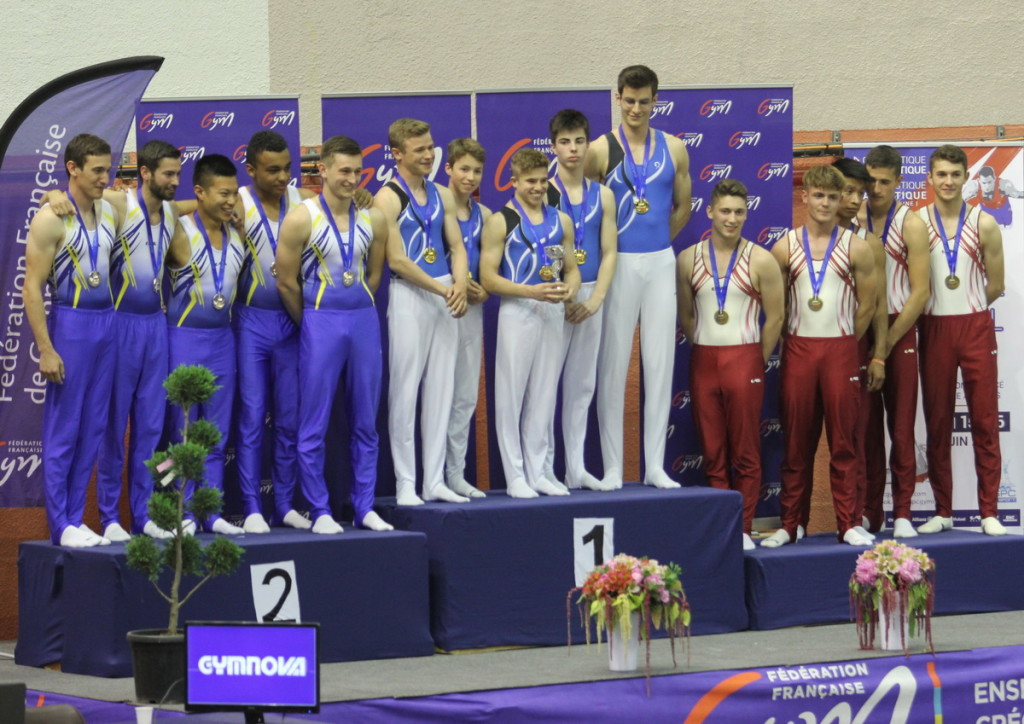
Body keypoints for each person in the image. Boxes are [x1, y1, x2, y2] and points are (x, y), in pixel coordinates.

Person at [276, 135, 392, 532]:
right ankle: (320, 509)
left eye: (358, 172)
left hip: (362, 318)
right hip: (320, 320)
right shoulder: (301, 218)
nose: (352, 179)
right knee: (314, 422)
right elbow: (287, 282)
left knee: (365, 420)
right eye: (344, 171)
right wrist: (310, 318)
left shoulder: (374, 216)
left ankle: (364, 506)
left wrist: (354, 304)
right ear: (322, 169)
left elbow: (374, 274)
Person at [584, 64, 691, 489]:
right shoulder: (598, 150)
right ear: (617, 98)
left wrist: (661, 243)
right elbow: (584, 210)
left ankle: (654, 466)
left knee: (660, 362)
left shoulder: (676, 148)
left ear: (655, 101)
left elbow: (683, 204)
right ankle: (613, 467)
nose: (635, 108)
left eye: (644, 101)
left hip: (660, 261)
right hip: (620, 263)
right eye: (628, 100)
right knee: (613, 364)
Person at [761, 165, 877, 548]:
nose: (826, 203)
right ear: (805, 197)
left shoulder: (856, 247)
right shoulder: (783, 247)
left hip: (840, 349)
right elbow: (773, 308)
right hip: (798, 350)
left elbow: (867, 305)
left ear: (841, 199)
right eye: (819, 196)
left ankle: (847, 522)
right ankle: (792, 523)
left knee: (844, 443)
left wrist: (844, 343)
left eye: (833, 196)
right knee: (796, 443)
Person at [676, 179, 783, 550]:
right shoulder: (688, 259)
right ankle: (724, 529)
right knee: (713, 450)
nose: (732, 219)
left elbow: (776, 318)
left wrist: (756, 358)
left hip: (745, 357)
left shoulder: (762, 259)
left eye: (739, 212)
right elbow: (686, 315)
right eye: (725, 211)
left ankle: (744, 528)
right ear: (710, 211)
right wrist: (703, 345)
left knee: (746, 451)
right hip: (704, 358)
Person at [25, 134, 118, 547]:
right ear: (73, 168)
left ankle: (76, 518)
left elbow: (163, 203)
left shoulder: (111, 208)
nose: (105, 177)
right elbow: (32, 286)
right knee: (64, 429)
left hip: (107, 324)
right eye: (97, 170)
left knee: (94, 427)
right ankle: (59, 524)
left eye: (108, 169)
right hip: (72, 323)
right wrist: (46, 348)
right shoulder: (50, 218)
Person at [374, 118, 469, 505]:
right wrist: (445, 288)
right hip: (411, 295)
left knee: (442, 388)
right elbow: (396, 259)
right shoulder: (387, 197)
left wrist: (460, 284)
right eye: (420, 150)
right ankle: (405, 481)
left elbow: (458, 247)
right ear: (397, 154)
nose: (430, 155)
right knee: (405, 390)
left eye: (431, 147)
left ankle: (434, 480)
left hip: (446, 291)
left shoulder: (443, 195)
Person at [479, 148, 580, 497]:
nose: (537, 187)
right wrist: (529, 291)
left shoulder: (561, 220)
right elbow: (488, 278)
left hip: (551, 310)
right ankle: (515, 476)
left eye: (541, 181)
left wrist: (571, 289)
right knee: (510, 395)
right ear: (515, 181)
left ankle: (539, 471)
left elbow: (573, 270)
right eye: (530, 181)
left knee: (544, 394)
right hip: (517, 310)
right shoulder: (500, 221)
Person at [916, 145, 1006, 536]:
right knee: (938, 423)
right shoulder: (917, 224)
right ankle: (943, 510)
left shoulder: (984, 223)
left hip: (974, 326)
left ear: (966, 177)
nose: (948, 181)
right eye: (941, 174)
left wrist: (967, 308)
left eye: (955, 174)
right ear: (930, 179)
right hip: (934, 327)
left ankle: (989, 511)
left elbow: (996, 284)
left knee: (984, 422)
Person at [234, 130, 314, 533]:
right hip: (251, 321)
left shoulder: (303, 203)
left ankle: (284, 503)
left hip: (291, 322)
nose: (283, 177)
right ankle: (251, 507)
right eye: (272, 170)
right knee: (251, 417)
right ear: (250, 170)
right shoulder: (237, 203)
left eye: (287, 168)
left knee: (289, 420)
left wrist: (365, 198)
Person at [164, 154, 246, 535]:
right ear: (199, 192)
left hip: (222, 340)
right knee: (180, 435)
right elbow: (140, 205)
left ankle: (209, 513)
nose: (231, 201)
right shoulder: (178, 230)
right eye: (223, 194)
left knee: (215, 434)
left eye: (234, 193)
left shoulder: (237, 233)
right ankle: (176, 512)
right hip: (183, 338)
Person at [859, 145, 931, 538]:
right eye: (870, 180)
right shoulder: (855, 215)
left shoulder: (912, 224)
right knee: (866, 430)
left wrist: (883, 347)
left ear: (900, 181)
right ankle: (871, 511)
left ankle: (902, 510)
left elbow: (920, 293)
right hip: (863, 324)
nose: (875, 188)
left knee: (901, 428)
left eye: (885, 181)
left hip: (899, 329)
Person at [544, 109, 617, 491]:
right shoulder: (544, 191)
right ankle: (543, 469)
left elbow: (609, 252)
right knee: (545, 385)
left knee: (582, 385)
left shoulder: (603, 194)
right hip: (553, 295)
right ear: (553, 146)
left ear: (589, 144)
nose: (573, 149)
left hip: (590, 297)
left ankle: (575, 467)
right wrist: (564, 292)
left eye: (579, 141)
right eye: (565, 142)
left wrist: (595, 299)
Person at [443, 138, 491, 499]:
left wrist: (485, 291)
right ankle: (428, 473)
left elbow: (492, 271)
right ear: (448, 169)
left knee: (464, 396)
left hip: (472, 311)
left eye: (476, 171)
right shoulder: (433, 207)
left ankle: (455, 473)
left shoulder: (486, 216)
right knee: (436, 395)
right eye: (463, 169)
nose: (470, 177)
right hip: (439, 306)